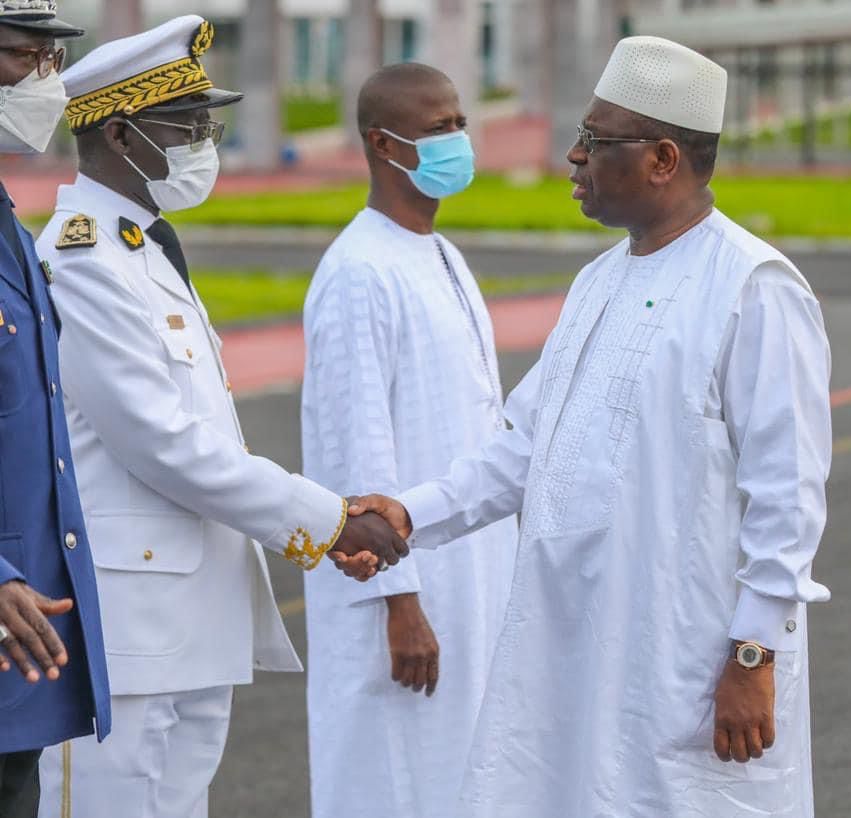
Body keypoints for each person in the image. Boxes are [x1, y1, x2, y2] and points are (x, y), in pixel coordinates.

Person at [340, 35, 833, 817]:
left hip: (689, 650)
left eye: (597, 142)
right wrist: (414, 513)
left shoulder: (753, 287)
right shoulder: (600, 280)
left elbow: (788, 494)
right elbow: (526, 448)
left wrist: (753, 652)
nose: (573, 156)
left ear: (663, 160)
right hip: (573, 643)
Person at [33, 16, 401, 818]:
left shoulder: (144, 249)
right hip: (122, 636)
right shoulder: (83, 260)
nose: (207, 143)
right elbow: (163, 443)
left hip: (194, 626)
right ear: (125, 137)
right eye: (190, 127)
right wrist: (327, 520)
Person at [301, 62, 517, 818]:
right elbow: (356, 449)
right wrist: (400, 602)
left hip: (471, 583)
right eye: (436, 129)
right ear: (381, 144)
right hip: (398, 599)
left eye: (459, 122)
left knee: (460, 781)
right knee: (391, 784)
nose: (457, 140)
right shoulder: (358, 270)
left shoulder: (439, 254)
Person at [0, 3, 109, 816]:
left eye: (51, 59)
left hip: (25, 633)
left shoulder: (7, 219)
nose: (47, 81)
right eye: (25, 58)